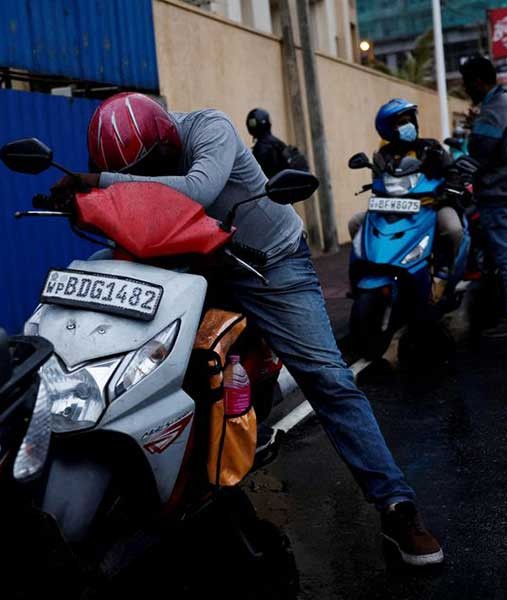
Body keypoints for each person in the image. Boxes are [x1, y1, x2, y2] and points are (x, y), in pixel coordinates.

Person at [52, 92, 444, 566]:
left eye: (150, 167)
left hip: (268, 263)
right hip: (192, 259)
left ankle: (396, 504)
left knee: (328, 378)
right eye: (134, 174)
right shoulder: (144, 160)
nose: (145, 179)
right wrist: (79, 200)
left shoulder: (208, 128)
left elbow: (196, 189)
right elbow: (136, 208)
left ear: (166, 139)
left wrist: (101, 183)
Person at [349, 99, 464, 303]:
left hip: (430, 206)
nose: (408, 126)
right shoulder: (382, 156)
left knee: (452, 228)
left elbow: (452, 171)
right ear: (388, 129)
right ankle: (364, 273)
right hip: (393, 210)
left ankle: (443, 272)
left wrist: (448, 191)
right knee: (356, 223)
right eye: (401, 122)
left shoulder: (432, 148)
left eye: (409, 120)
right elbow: (378, 182)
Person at [459, 55, 507, 338]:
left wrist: (473, 127)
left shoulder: (493, 110)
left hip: (498, 192)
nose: (466, 89)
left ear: (478, 80)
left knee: (506, 254)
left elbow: (480, 149)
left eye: (467, 83)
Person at [245, 108, 288, 178]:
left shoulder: (262, 147)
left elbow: (253, 173)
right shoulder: (279, 143)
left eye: (252, 123)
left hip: (271, 186)